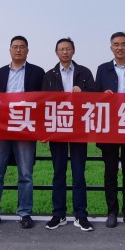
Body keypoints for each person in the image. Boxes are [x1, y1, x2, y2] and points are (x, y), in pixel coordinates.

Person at [0, 36, 45, 230]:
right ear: (10, 50)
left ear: (27, 50)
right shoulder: (0, 73)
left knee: (25, 174)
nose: (18, 50)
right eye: (15, 47)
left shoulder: (37, 72)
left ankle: (25, 213)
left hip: (26, 128)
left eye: (22, 47)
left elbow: (43, 101)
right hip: (3, 128)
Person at [42, 37, 97, 232]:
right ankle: (59, 214)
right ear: (56, 53)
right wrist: (45, 131)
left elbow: (95, 96)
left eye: (68, 49)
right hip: (57, 129)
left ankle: (81, 215)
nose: (65, 52)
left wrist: (83, 91)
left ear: (73, 51)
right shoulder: (49, 76)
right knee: (58, 172)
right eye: (61, 49)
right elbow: (43, 104)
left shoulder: (84, 72)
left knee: (78, 172)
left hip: (79, 129)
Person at [95, 31, 125, 229]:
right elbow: (94, 97)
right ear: (111, 48)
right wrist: (103, 94)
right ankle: (112, 212)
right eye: (116, 44)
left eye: (123, 44)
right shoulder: (102, 69)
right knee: (110, 172)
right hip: (109, 127)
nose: (120, 47)